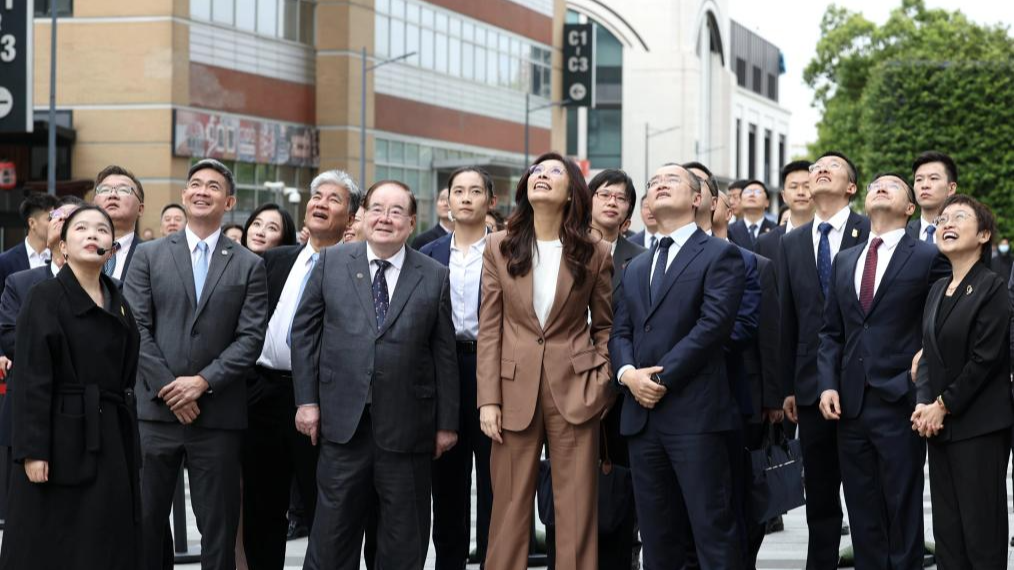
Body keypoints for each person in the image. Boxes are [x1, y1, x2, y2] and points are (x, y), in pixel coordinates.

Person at [292, 179, 459, 570]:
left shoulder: (434, 275)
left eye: (396, 211)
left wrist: (446, 424)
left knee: (402, 542)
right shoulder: (332, 262)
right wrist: (306, 401)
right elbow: (304, 334)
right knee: (332, 540)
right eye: (377, 209)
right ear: (362, 216)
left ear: (412, 222)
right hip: (342, 426)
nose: (386, 218)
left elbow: (444, 354)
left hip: (407, 431)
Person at [124, 158, 269, 570]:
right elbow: (135, 326)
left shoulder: (249, 264)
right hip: (155, 414)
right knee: (145, 521)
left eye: (213, 186)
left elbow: (250, 339)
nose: (203, 191)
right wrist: (171, 388)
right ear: (185, 194)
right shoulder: (149, 255)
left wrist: (201, 383)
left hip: (217, 416)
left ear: (230, 202)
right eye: (196, 184)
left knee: (218, 529)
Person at [478, 153, 613, 570]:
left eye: (554, 172)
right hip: (511, 389)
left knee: (576, 509)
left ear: (572, 192)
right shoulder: (499, 246)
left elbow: (606, 327)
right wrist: (488, 400)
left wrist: (600, 383)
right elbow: (490, 328)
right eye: (536, 170)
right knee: (509, 507)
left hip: (575, 389)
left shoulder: (595, 251)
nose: (541, 175)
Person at [608, 163, 745, 569]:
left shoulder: (720, 254)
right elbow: (620, 332)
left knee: (712, 531)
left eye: (672, 180)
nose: (660, 185)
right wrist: (628, 375)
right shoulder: (635, 267)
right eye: (654, 182)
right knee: (657, 537)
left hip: (695, 415)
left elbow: (712, 327)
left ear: (698, 198)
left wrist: (659, 378)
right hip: (642, 419)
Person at [0, 205, 141, 570]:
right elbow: (31, 377)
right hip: (59, 439)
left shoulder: (119, 300)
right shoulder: (44, 296)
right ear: (62, 246)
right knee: (56, 540)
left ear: (112, 249)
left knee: (106, 538)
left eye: (102, 230)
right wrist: (32, 450)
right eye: (81, 228)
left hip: (110, 434)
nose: (92, 234)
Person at [817, 173, 947, 569]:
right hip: (850, 402)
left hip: (900, 398)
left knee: (902, 505)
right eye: (875, 185)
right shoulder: (845, 260)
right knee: (861, 507)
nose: (880, 187)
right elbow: (831, 332)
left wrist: (924, 364)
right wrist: (827, 384)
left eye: (892, 185)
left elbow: (942, 320)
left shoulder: (927, 256)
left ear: (910, 208)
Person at [243, 170, 362, 570]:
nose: (320, 203)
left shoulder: (356, 270)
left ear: (351, 217)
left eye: (334, 199)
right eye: (316, 196)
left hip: (321, 401)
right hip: (264, 393)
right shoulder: (275, 260)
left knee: (323, 510)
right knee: (261, 509)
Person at [912, 194, 1014, 569]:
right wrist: (924, 404)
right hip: (940, 429)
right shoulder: (937, 289)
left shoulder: (992, 287)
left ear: (984, 235)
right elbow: (927, 354)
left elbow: (985, 359)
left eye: (959, 217)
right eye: (942, 220)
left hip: (979, 427)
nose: (947, 224)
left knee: (981, 533)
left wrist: (942, 405)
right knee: (948, 536)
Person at [778, 151, 869, 568]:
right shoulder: (793, 241)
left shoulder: (870, 231)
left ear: (851, 187)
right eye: (815, 168)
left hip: (865, 382)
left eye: (832, 167)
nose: (820, 171)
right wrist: (787, 388)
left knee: (867, 489)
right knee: (819, 493)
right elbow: (788, 318)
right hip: (810, 385)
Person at [420, 166, 497, 570]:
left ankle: (492, 560)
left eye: (475, 191)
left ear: (491, 201)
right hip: (443, 372)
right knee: (447, 480)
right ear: (447, 200)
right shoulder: (427, 254)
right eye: (458, 191)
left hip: (493, 371)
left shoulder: (506, 250)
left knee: (494, 481)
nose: (466, 198)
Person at [585, 168, 643, 569]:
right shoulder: (565, 249)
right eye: (604, 194)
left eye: (620, 198)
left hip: (622, 389)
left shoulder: (640, 259)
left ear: (628, 213)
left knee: (621, 482)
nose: (611, 202)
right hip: (568, 384)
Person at [93, 165, 146, 280]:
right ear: (93, 205)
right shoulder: (77, 252)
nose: (112, 195)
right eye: (104, 190)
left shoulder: (153, 256)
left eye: (123, 190)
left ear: (140, 209)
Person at [755, 161, 814, 264]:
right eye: (794, 187)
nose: (800, 192)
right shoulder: (765, 242)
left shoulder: (827, 236)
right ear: (784, 196)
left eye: (807, 186)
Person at [0, 192, 58, 297]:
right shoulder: (5, 261)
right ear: (32, 223)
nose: (55, 223)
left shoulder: (61, 257)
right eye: (50, 219)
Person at [906, 151, 957, 244]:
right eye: (919, 179)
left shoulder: (963, 231)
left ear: (951, 188)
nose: (925, 185)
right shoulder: (902, 232)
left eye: (933, 178)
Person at [728, 180, 776, 251]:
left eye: (757, 192)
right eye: (747, 192)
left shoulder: (775, 230)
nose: (752, 195)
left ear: (767, 202)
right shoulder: (729, 230)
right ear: (741, 200)